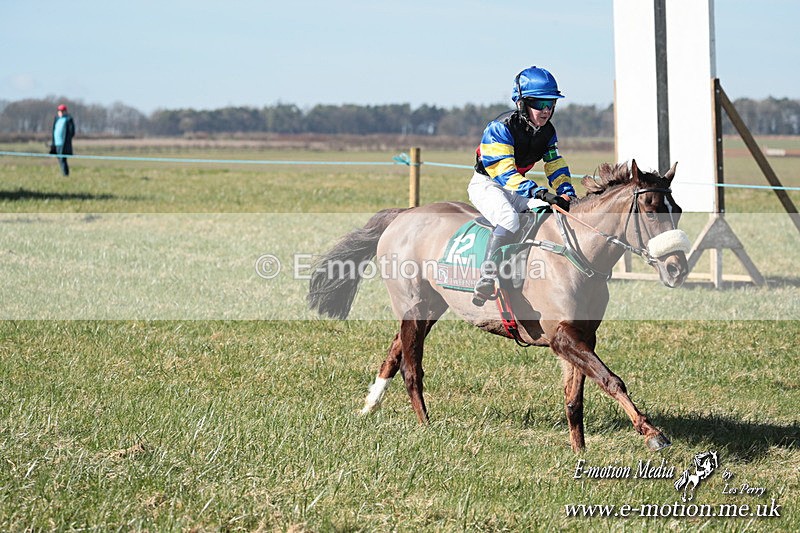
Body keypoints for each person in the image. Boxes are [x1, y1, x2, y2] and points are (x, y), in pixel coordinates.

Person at [468, 66, 577, 306]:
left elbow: (554, 164)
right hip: (488, 184)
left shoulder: (547, 132)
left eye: (551, 103)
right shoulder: (500, 127)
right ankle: (486, 276)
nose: (546, 110)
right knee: (509, 219)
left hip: (518, 187)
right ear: (522, 103)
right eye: (539, 103)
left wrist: (566, 192)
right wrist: (538, 191)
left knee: (546, 211)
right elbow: (505, 174)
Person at [51, 104, 75, 176]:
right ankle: (64, 173)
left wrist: (67, 139)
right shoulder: (57, 119)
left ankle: (65, 174)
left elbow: (72, 132)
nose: (60, 112)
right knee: (59, 158)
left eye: (62, 111)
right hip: (56, 142)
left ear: (65, 111)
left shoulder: (68, 119)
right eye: (59, 111)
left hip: (63, 143)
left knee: (63, 159)